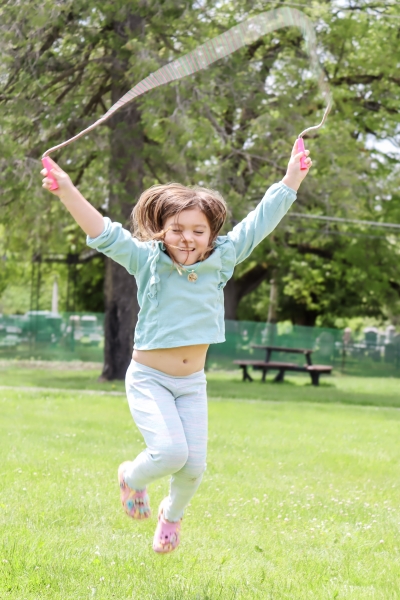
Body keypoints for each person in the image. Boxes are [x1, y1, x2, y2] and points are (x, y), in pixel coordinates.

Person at [41, 140, 312, 554]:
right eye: (177, 230)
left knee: (194, 467)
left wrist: (292, 176)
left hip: (192, 383)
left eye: (198, 231)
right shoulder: (148, 261)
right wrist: (67, 191)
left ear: (211, 234)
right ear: (162, 231)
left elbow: (261, 221)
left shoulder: (222, 259)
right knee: (169, 452)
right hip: (150, 378)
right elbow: (102, 232)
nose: (187, 239)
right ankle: (131, 477)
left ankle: (172, 516)